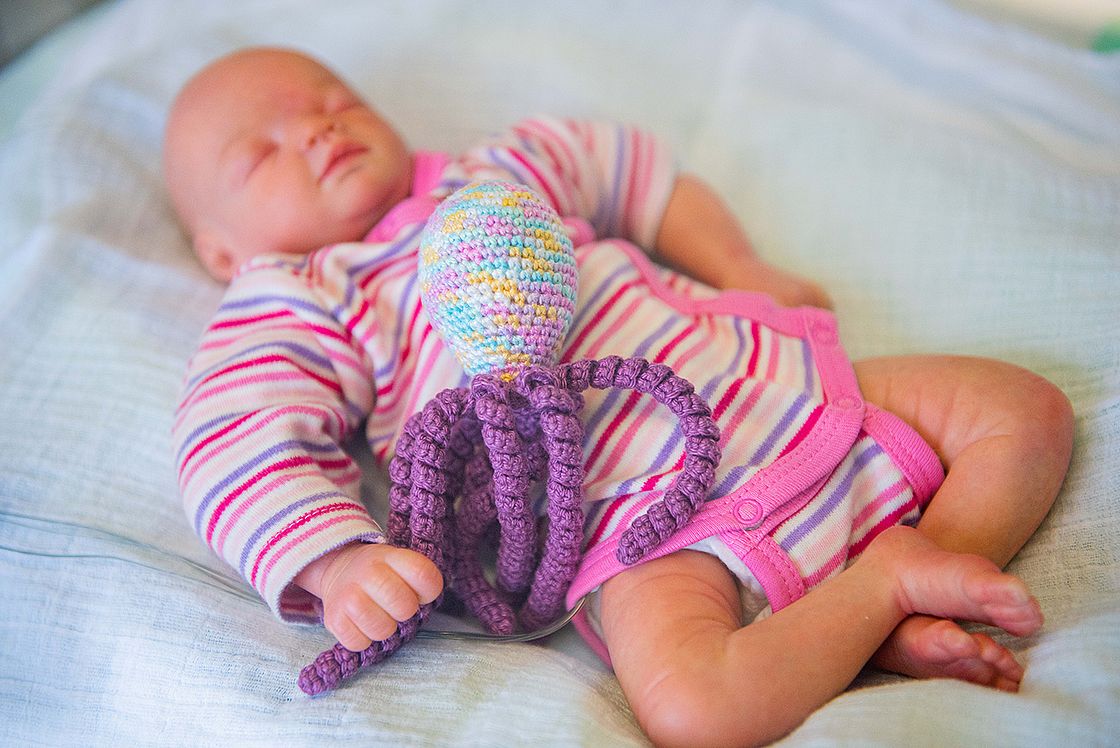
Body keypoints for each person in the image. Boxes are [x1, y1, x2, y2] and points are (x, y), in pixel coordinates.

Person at [165, 47, 1073, 746]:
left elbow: (632, 170)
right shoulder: (306, 295)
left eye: (332, 102)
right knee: (695, 710)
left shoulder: (499, 171)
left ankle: (922, 582)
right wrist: (336, 566)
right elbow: (233, 440)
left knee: (1024, 413)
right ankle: (881, 590)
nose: (319, 130)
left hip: (754, 381)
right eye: (263, 152)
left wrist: (738, 266)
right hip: (633, 521)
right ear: (220, 251)